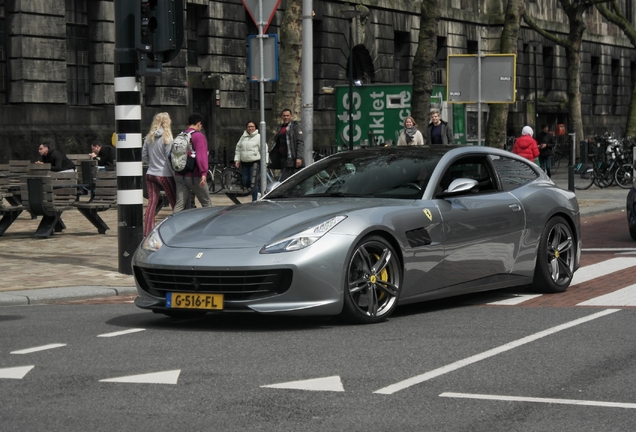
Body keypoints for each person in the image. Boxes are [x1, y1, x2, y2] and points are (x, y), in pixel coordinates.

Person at [142, 112, 177, 236]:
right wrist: (173, 174)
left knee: (152, 202)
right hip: (164, 174)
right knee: (174, 201)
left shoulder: (149, 137)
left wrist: (151, 163)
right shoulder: (167, 138)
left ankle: (147, 230)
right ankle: (178, 226)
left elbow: (144, 155)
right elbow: (169, 159)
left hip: (150, 173)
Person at [173, 112, 211, 212]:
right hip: (195, 176)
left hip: (179, 174)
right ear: (199, 123)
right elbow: (201, 156)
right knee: (207, 204)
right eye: (201, 125)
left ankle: (173, 225)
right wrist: (204, 172)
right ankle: (210, 226)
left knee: (179, 204)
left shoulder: (181, 135)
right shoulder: (199, 136)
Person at [269, 108, 304, 182]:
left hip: (293, 159)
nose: (286, 117)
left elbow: (300, 142)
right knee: (289, 182)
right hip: (283, 159)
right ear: (282, 116)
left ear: (291, 116)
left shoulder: (295, 126)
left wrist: (299, 157)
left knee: (288, 182)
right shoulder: (280, 128)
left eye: (287, 115)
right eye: (284, 116)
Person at [234, 121, 262, 201]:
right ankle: (257, 193)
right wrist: (237, 160)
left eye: (252, 126)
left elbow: (264, 150)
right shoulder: (243, 137)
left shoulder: (259, 137)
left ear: (255, 127)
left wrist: (265, 163)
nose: (250, 128)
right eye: (248, 126)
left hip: (255, 162)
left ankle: (255, 199)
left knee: (253, 182)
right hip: (245, 163)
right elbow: (238, 148)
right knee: (245, 181)